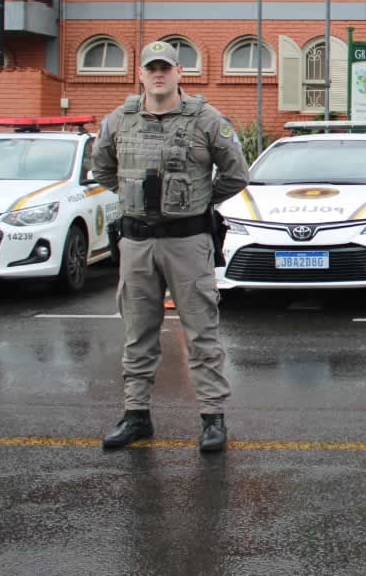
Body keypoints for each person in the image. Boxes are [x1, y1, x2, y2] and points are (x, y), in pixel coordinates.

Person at [92, 40, 249, 453]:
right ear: (140, 75)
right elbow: (103, 169)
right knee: (137, 333)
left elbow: (236, 173)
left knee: (201, 334)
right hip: (137, 243)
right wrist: (136, 201)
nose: (158, 74)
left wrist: (199, 200)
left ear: (179, 72)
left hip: (188, 241)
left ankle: (213, 419)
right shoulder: (119, 121)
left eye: (165, 67)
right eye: (150, 68)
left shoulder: (207, 119)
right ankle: (136, 416)